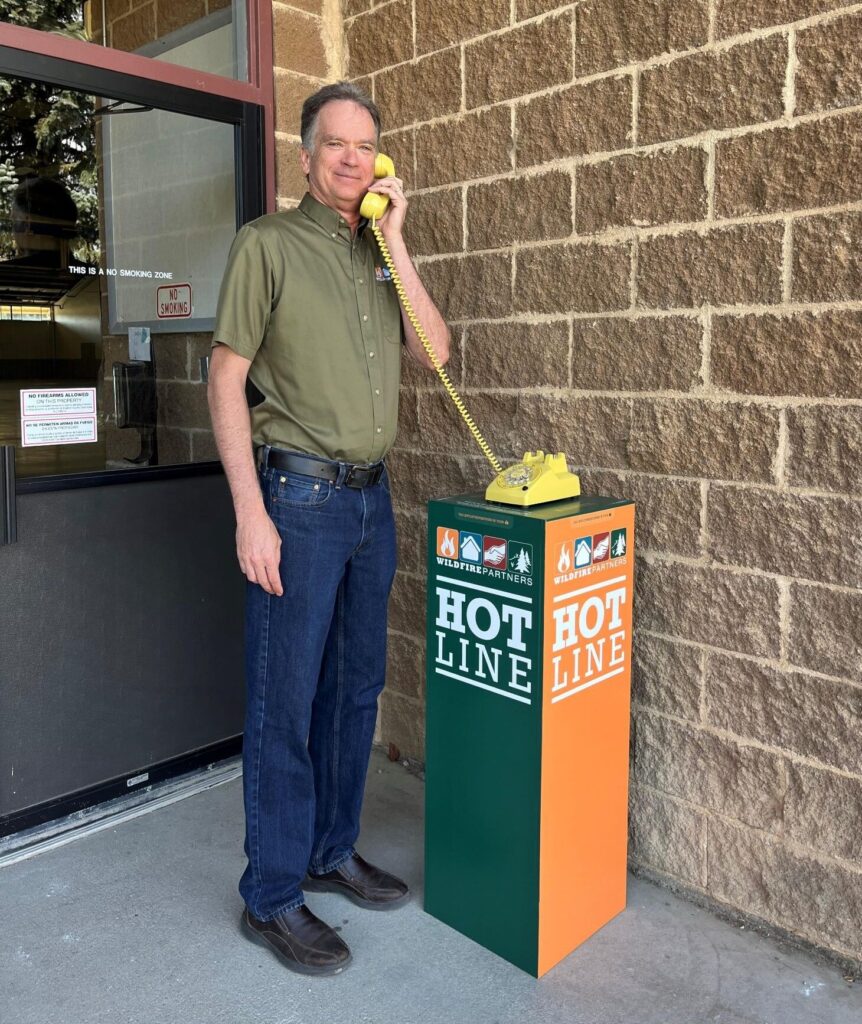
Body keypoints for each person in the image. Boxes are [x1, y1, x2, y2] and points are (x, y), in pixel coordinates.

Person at [207, 81, 450, 976]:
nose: (351, 157)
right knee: (284, 704)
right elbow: (225, 378)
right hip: (297, 504)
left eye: (366, 146)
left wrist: (397, 236)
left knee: (353, 691)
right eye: (335, 143)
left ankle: (329, 849)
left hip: (370, 503)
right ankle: (271, 895)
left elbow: (437, 350)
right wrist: (249, 514)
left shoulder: (379, 251)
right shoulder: (267, 244)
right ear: (305, 156)